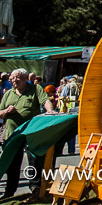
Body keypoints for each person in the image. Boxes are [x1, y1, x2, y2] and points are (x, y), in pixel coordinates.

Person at [0, 68, 54, 198]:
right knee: (12, 162)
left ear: (24, 79)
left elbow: (45, 101)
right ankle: (10, 191)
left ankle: (35, 187)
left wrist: (50, 111)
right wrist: (7, 110)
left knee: (34, 159)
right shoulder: (8, 94)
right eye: (12, 78)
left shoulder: (35, 89)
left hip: (31, 131)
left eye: (17, 78)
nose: (14, 80)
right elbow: (0, 112)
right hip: (13, 134)